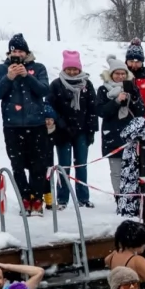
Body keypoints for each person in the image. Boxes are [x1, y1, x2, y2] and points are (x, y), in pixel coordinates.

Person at [0, 34, 50, 216]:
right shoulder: (0, 69)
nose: (17, 54)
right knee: (17, 164)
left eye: (20, 51)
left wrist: (27, 76)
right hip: (13, 126)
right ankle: (24, 198)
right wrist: (8, 77)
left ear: (26, 52)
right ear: (9, 53)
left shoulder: (38, 68)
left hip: (36, 124)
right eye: (14, 51)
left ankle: (37, 198)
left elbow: (44, 90)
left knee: (38, 165)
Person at [47, 51, 98, 210]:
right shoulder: (56, 84)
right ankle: (62, 199)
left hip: (81, 131)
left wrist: (91, 130)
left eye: (74, 69)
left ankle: (83, 198)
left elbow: (92, 108)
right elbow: (50, 107)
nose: (72, 72)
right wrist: (61, 125)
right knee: (64, 166)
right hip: (63, 131)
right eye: (68, 69)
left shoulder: (87, 84)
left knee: (81, 165)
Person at [96, 56, 145, 198]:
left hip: (131, 136)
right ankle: (119, 197)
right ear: (111, 74)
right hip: (112, 135)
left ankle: (134, 196)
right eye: (117, 73)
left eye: (123, 73)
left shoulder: (133, 88)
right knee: (116, 171)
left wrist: (133, 98)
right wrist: (116, 101)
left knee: (134, 169)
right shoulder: (103, 90)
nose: (120, 76)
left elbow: (142, 112)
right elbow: (101, 112)